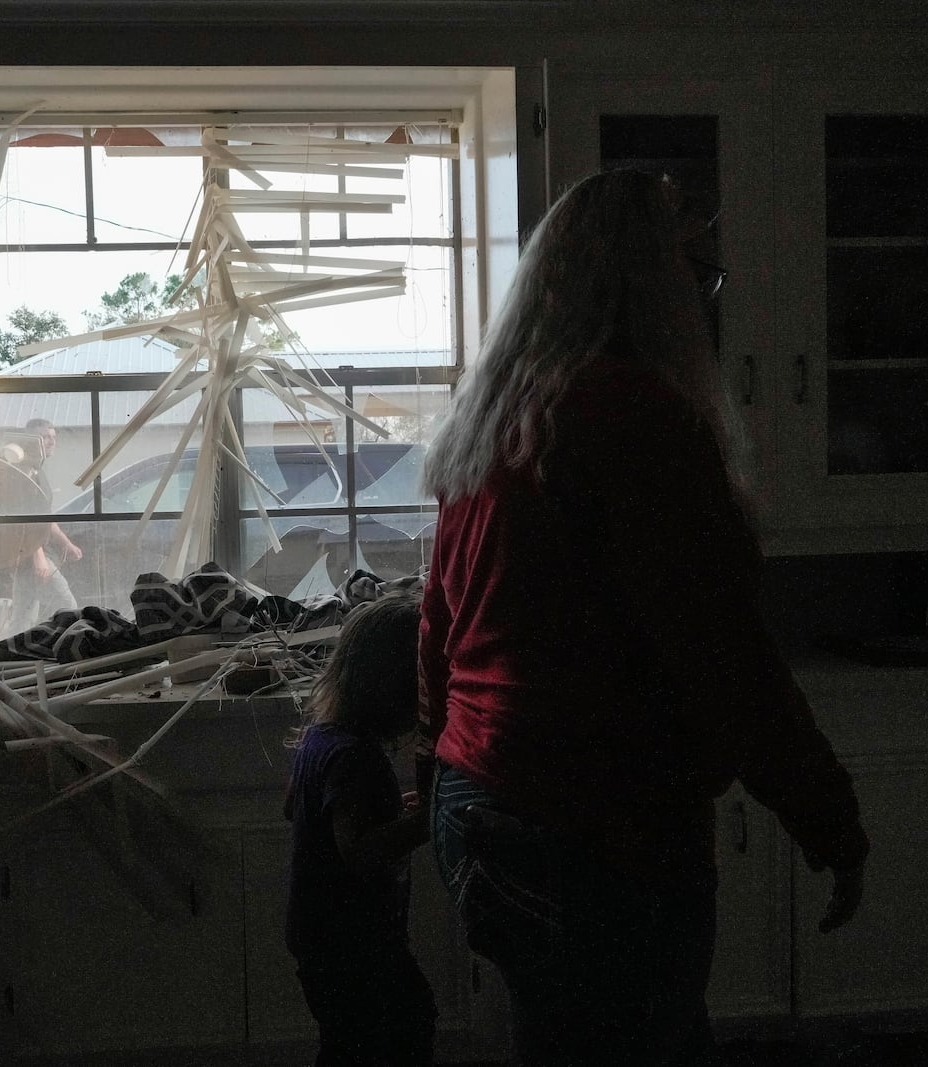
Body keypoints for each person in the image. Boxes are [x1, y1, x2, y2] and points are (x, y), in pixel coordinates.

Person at [415, 168, 869, 1066]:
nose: (705, 303)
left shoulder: (495, 417)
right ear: (654, 287)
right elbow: (724, 653)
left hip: (477, 805)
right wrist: (828, 818)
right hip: (591, 820)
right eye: (696, 279)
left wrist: (426, 765)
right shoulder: (632, 416)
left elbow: (438, 621)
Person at [284, 587, 438, 1066]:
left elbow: (297, 809)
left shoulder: (321, 740)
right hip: (354, 944)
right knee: (403, 1028)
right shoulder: (355, 756)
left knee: (348, 1042)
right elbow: (359, 850)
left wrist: (388, 809)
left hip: (321, 938)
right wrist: (429, 820)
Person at [2, 417, 83, 633]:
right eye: (44, 437)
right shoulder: (22, 473)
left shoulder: (37, 471)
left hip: (34, 552)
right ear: (30, 440)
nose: (50, 441)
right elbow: (25, 518)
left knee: (24, 614)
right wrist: (38, 557)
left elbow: (44, 517)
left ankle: (14, 658)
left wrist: (66, 544)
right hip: (30, 554)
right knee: (67, 606)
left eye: (53, 437)